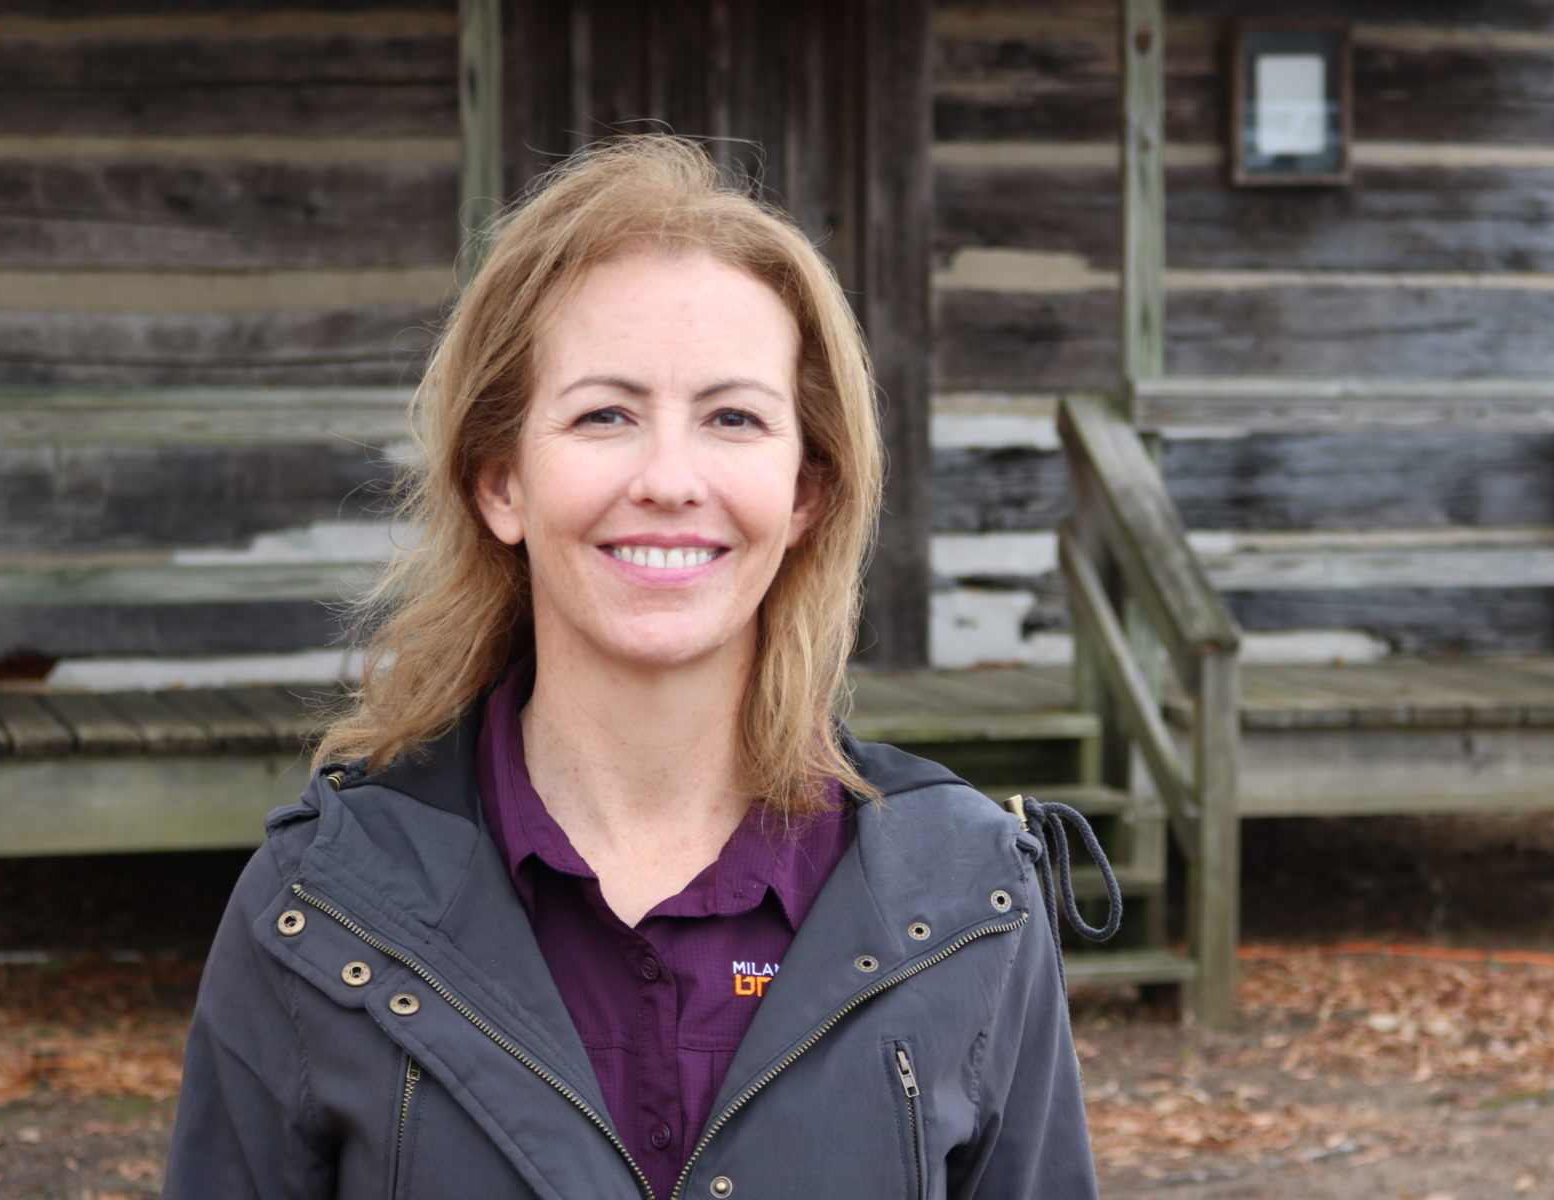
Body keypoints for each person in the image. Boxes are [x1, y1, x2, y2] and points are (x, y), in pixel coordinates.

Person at [163, 135, 1102, 1199]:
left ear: (806, 493)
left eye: (732, 418)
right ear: (500, 481)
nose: (667, 478)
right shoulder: (316, 906)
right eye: (604, 414)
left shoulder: (968, 892)